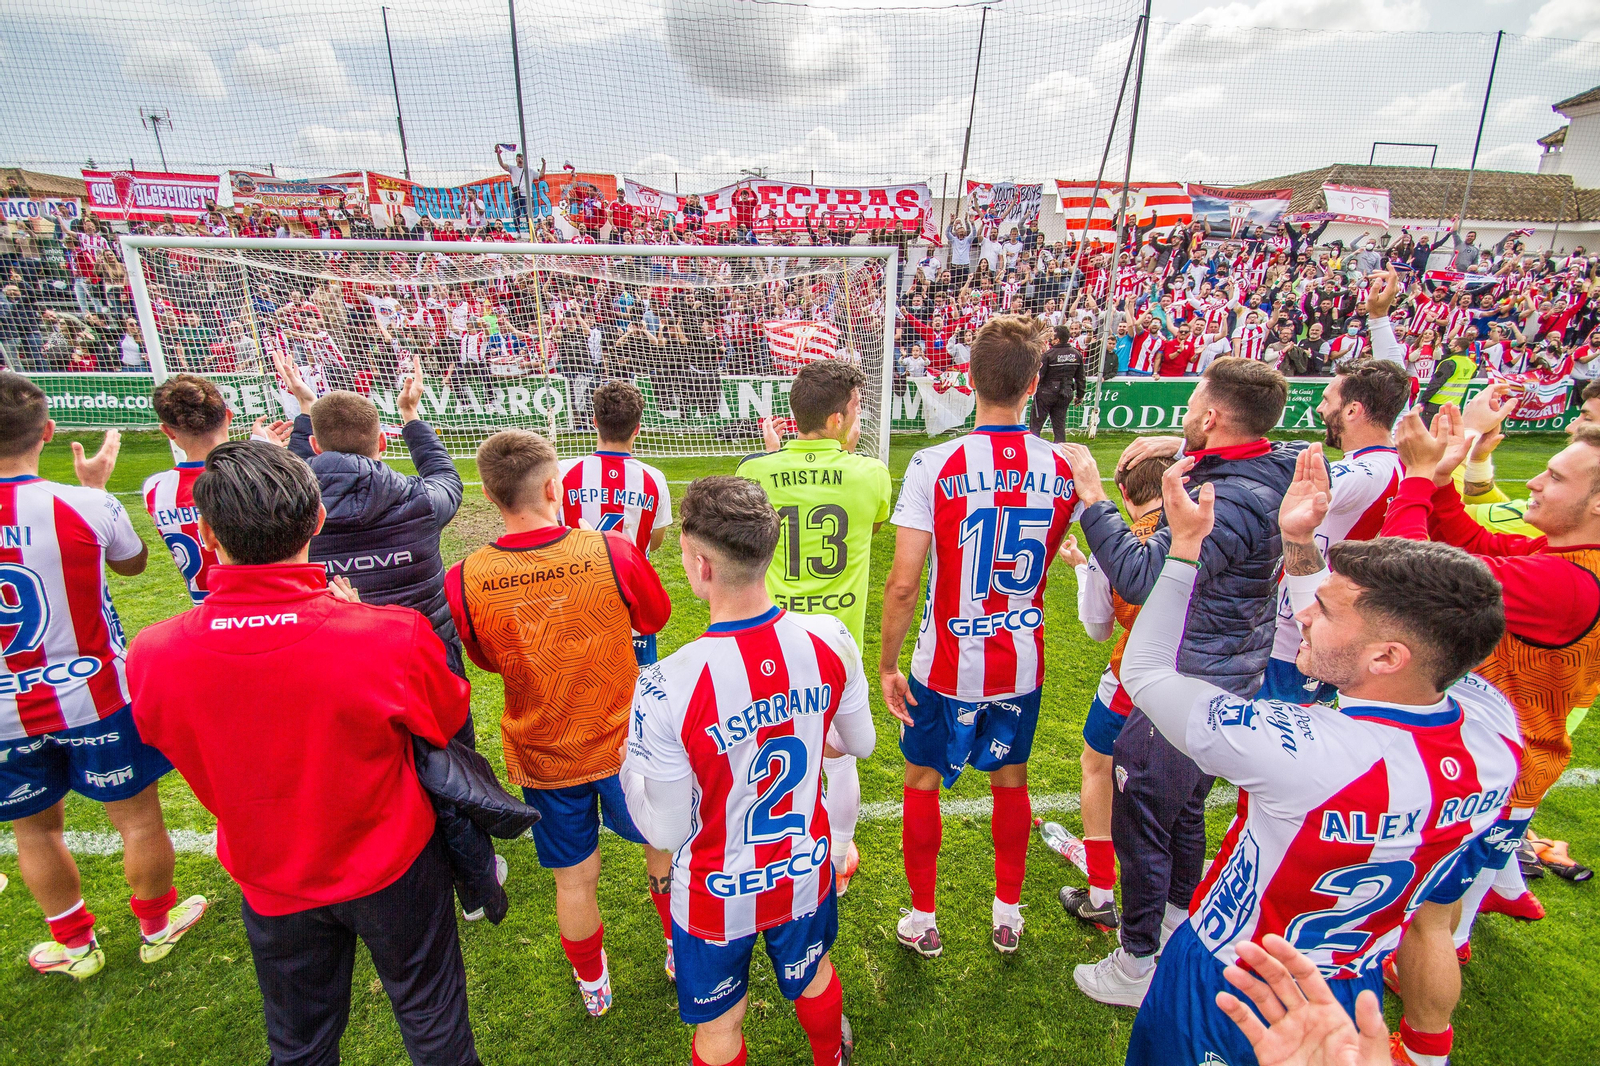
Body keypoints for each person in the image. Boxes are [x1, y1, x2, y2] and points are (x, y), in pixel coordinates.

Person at [1114, 450, 1519, 1066]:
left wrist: (1186, 550)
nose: (1301, 613)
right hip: (1348, 989)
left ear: (1387, 657)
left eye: (1323, 611)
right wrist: (1299, 545)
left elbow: (1145, 672)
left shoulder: (1298, 751)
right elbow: (1365, 654)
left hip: (1235, 981)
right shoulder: (1496, 733)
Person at [126, 441, 481, 1065]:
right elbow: (447, 717)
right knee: (433, 1022)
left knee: (300, 1046)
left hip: (271, 873)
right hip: (392, 863)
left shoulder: (154, 654)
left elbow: (167, 734)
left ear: (205, 534)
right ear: (317, 519)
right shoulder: (388, 635)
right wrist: (361, 622)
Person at [1059, 357, 1303, 1007]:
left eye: (1193, 404)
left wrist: (1092, 498)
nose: (1186, 412)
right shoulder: (1275, 465)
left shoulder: (1227, 501)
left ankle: (1138, 962)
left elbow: (1141, 576)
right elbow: (1282, 448)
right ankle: (1171, 921)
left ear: (1212, 417)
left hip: (1189, 681)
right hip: (1226, 670)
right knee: (1185, 811)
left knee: (1143, 818)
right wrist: (1178, 447)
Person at [620, 475, 876, 1066]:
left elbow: (661, 832)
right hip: (802, 869)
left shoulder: (665, 684)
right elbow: (856, 743)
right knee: (815, 980)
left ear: (703, 566)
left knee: (719, 1025)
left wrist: (631, 767)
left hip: (714, 891)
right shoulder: (830, 640)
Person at [1381, 410, 1600, 1066]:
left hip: (1491, 777)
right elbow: (1469, 543)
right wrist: (1443, 481)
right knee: (1444, 914)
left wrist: (1419, 477)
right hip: (1511, 772)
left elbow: (1406, 574)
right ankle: (1454, 944)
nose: (1533, 481)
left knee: (1425, 924)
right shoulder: (1565, 557)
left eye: (1554, 477)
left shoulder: (1566, 584)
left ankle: (1423, 1047)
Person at [445, 430, 673, 1013]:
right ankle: (677, 948)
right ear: (554, 487)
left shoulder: (465, 576)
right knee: (666, 847)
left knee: (574, 880)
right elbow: (655, 616)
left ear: (491, 498)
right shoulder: (611, 551)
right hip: (627, 740)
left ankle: (594, 985)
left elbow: (485, 659)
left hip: (544, 749)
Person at [879, 315, 1083, 956]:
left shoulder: (936, 463)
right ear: (1034, 384)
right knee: (1012, 782)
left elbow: (905, 584)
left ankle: (924, 918)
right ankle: (1007, 914)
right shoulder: (1066, 467)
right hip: (1020, 660)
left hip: (945, 663)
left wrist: (887, 663)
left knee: (920, 782)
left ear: (968, 380)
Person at [0, 373, 208, 981]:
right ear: (47, 430)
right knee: (139, 818)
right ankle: (154, 927)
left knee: (34, 830)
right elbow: (133, 563)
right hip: (93, 692)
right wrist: (92, 490)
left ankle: (75, 946)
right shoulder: (84, 503)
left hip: (3, 709)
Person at [738, 360, 893, 896]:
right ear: (833, 418)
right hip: (835, 642)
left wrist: (778, 454)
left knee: (776, 748)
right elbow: (871, 519)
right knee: (841, 754)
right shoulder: (871, 472)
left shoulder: (754, 471)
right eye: (854, 411)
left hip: (772, 637)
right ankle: (839, 855)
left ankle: (777, 853)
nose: (859, 420)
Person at [276, 355, 467, 675]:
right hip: (426, 663)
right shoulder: (420, 501)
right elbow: (445, 477)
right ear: (382, 441)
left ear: (314, 445)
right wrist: (410, 413)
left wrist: (307, 409)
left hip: (337, 666)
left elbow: (295, 482)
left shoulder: (288, 511)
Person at [1058, 452, 1173, 932]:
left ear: (1124, 495)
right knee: (1178, 794)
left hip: (1133, 678)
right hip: (1200, 677)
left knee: (1098, 767)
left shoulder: (1120, 546)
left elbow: (1098, 627)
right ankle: (1177, 902)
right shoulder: (1205, 525)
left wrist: (1087, 570)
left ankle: (1103, 892)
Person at [1260, 359, 1408, 704]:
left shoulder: (1365, 472)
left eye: (1328, 400)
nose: (1321, 408)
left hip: (1295, 636)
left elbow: (1281, 494)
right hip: (1336, 627)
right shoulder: (1399, 464)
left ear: (1353, 410)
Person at [144, 375, 291, 606]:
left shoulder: (155, 489)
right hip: (265, 606)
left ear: (168, 431)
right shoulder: (255, 474)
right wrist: (265, 450)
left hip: (206, 611)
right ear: (229, 417)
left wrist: (261, 447)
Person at [559, 379, 673, 661]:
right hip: (632, 605)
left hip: (576, 605)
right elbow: (655, 542)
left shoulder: (563, 472)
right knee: (637, 694)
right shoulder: (653, 479)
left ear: (594, 421)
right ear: (637, 428)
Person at [1031, 324, 1087, 442]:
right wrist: (1080, 395)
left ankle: (1033, 452)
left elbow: (1039, 375)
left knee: (1036, 426)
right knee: (1059, 427)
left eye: (1052, 337)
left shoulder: (1048, 355)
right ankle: (1060, 453)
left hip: (1046, 393)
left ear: (1057, 340)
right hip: (1066, 393)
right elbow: (1081, 377)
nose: (1050, 339)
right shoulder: (1076, 354)